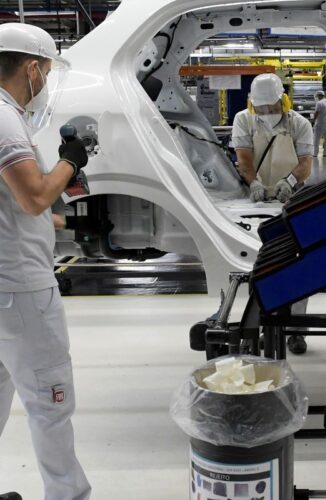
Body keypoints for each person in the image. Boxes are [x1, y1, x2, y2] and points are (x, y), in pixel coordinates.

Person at [0, 23, 91, 499]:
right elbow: (34, 196)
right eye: (48, 73)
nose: (47, 83)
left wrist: (55, 224)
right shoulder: (5, 119)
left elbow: (16, 204)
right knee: (50, 400)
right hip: (21, 289)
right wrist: (70, 162)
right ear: (32, 69)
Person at [232, 73, 313, 354]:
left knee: (298, 264)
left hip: (290, 199)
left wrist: (288, 182)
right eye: (261, 108)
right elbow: (244, 159)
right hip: (255, 203)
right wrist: (254, 184)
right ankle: (265, 326)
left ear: (283, 101)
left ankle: (296, 331)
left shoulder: (299, 124)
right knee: (262, 266)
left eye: (272, 107)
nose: (267, 112)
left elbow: (305, 163)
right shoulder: (243, 120)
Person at [312, 90, 326, 158]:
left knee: (316, 139)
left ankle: (315, 153)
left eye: (317, 96)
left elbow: (316, 113)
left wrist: (313, 120)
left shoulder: (319, 103)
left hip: (320, 123)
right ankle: (325, 154)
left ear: (319, 96)